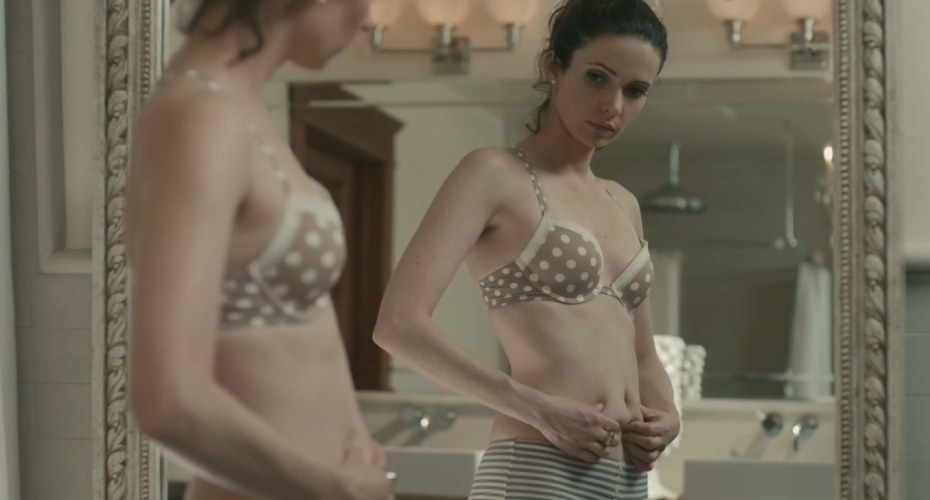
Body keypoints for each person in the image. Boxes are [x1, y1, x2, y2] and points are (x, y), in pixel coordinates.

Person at [372, 0, 678, 498]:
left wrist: (668, 414)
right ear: (554, 66)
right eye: (597, 78)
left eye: (635, 90)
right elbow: (397, 326)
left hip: (627, 481)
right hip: (537, 470)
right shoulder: (494, 174)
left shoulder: (623, 203)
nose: (613, 106)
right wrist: (538, 409)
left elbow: (643, 355)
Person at [125, 1, 394, 499]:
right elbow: (166, 400)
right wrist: (335, 488)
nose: (367, 19)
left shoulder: (238, 111)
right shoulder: (201, 116)